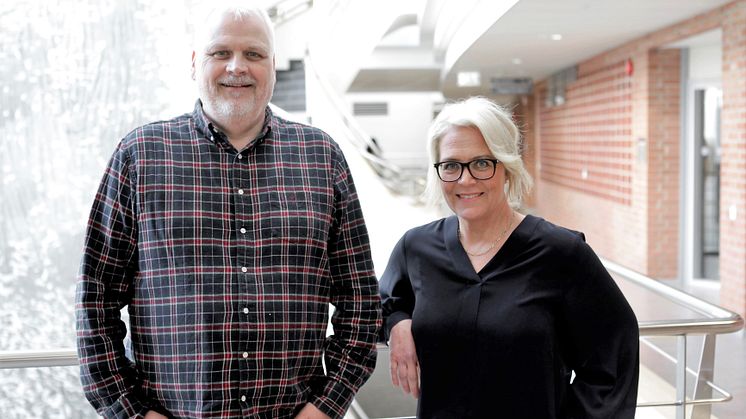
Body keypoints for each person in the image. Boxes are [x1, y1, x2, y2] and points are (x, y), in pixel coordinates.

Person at [75, 3, 381, 419]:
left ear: (272, 66)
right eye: (221, 53)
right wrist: (130, 412)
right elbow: (95, 300)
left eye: (253, 54)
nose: (237, 67)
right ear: (195, 63)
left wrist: (325, 407)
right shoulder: (140, 156)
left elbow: (361, 300)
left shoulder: (321, 157)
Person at [379, 97, 639, 418]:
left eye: (482, 163)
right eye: (450, 165)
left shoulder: (561, 253)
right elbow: (379, 300)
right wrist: (397, 323)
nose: (465, 179)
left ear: (507, 167)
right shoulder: (416, 247)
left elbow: (614, 354)